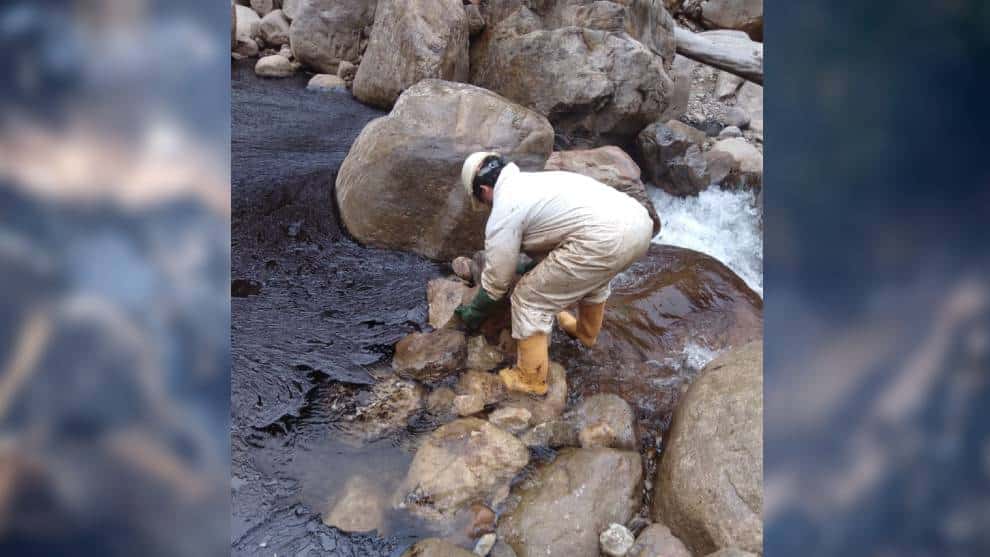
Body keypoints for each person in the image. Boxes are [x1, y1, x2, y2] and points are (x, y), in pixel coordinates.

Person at [454, 151, 654, 395]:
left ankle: (530, 379)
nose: (485, 206)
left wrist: (474, 312)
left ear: (485, 190)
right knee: (595, 276)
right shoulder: (539, 182)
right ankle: (585, 333)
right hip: (638, 223)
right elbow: (558, 235)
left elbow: (497, 281)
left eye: (482, 201)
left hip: (602, 239)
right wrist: (527, 266)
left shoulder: (505, 209)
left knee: (528, 299)